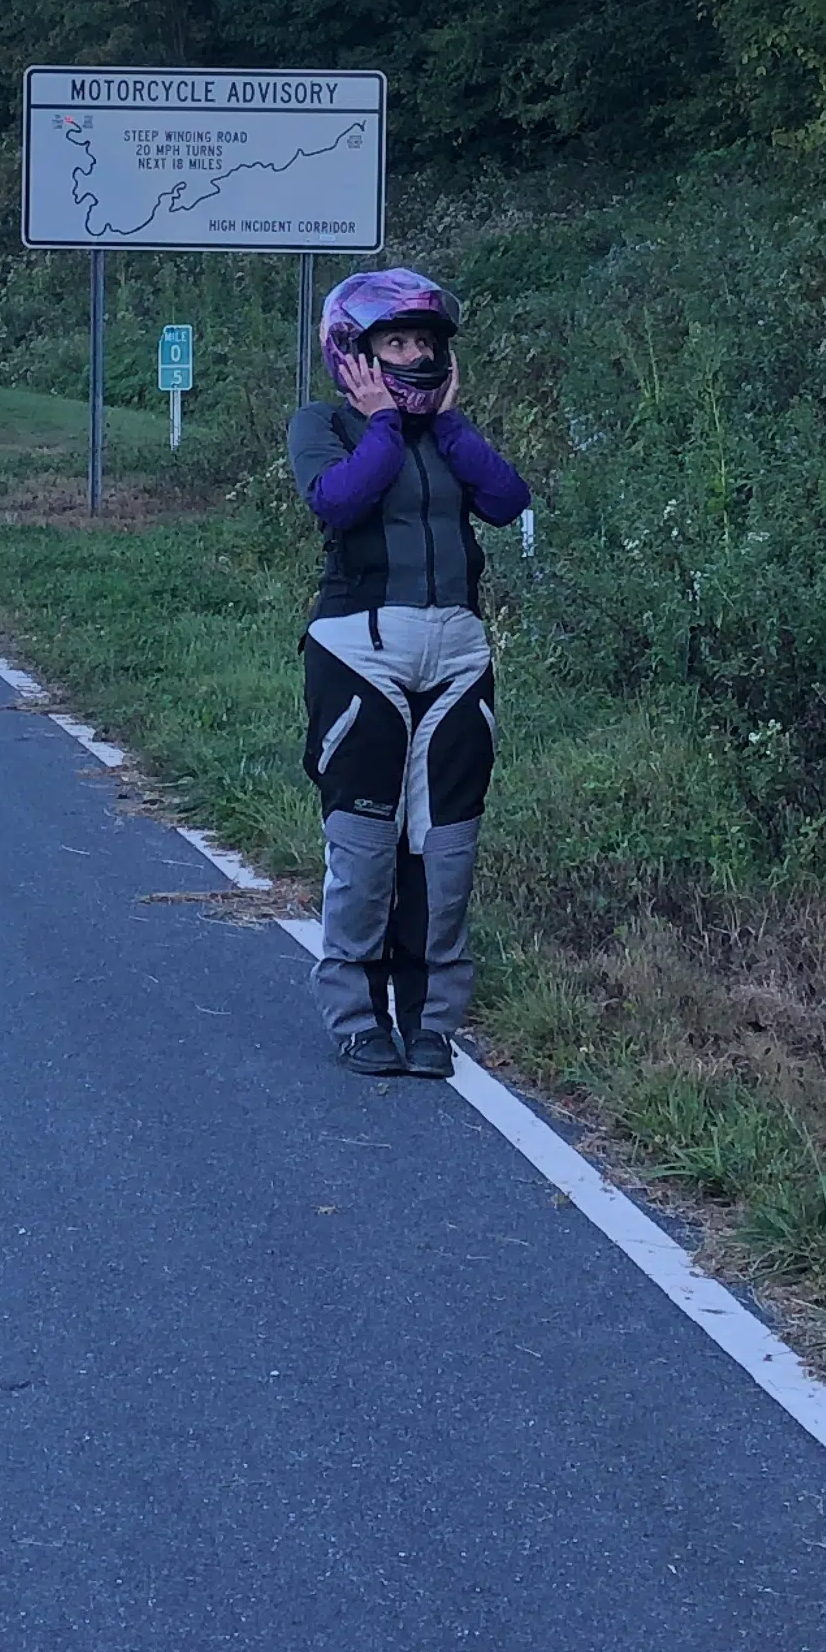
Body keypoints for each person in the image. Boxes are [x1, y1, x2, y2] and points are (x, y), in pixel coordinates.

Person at [288, 269, 528, 1079]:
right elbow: (337, 502)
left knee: (447, 849)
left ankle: (430, 1025)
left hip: (457, 654)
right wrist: (385, 423)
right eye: (398, 340)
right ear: (352, 350)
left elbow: (506, 499)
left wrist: (446, 422)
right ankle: (357, 1018)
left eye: (426, 341)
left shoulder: (449, 438)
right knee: (364, 847)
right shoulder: (323, 424)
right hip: (358, 651)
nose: (417, 352)